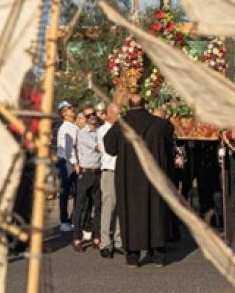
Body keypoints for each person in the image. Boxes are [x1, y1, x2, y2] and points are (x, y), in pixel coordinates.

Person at [102, 94, 174, 267]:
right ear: (145, 105)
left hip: (129, 177)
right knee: (155, 210)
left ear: (129, 106)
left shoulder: (121, 125)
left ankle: (133, 256)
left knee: (131, 213)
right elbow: (170, 136)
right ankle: (158, 254)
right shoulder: (159, 124)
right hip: (153, 175)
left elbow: (109, 147)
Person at [71, 106, 102, 252]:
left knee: (98, 206)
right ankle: (77, 238)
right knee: (80, 206)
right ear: (84, 118)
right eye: (88, 115)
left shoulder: (99, 130)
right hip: (86, 173)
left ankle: (96, 237)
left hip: (98, 172)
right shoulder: (83, 133)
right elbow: (98, 147)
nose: (92, 117)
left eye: (93, 114)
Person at [96, 102, 122, 258]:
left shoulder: (121, 129)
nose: (120, 116)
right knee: (108, 208)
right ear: (109, 114)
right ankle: (105, 243)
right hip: (109, 171)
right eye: (117, 113)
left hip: (121, 171)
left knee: (120, 207)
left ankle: (118, 240)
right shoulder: (103, 130)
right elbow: (109, 151)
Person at [54, 101, 78, 232]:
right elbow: (68, 149)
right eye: (69, 108)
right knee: (65, 192)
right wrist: (75, 164)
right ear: (64, 113)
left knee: (77, 191)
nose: (72, 109)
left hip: (73, 162)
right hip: (66, 162)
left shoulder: (73, 126)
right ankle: (64, 221)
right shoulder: (65, 128)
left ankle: (74, 218)